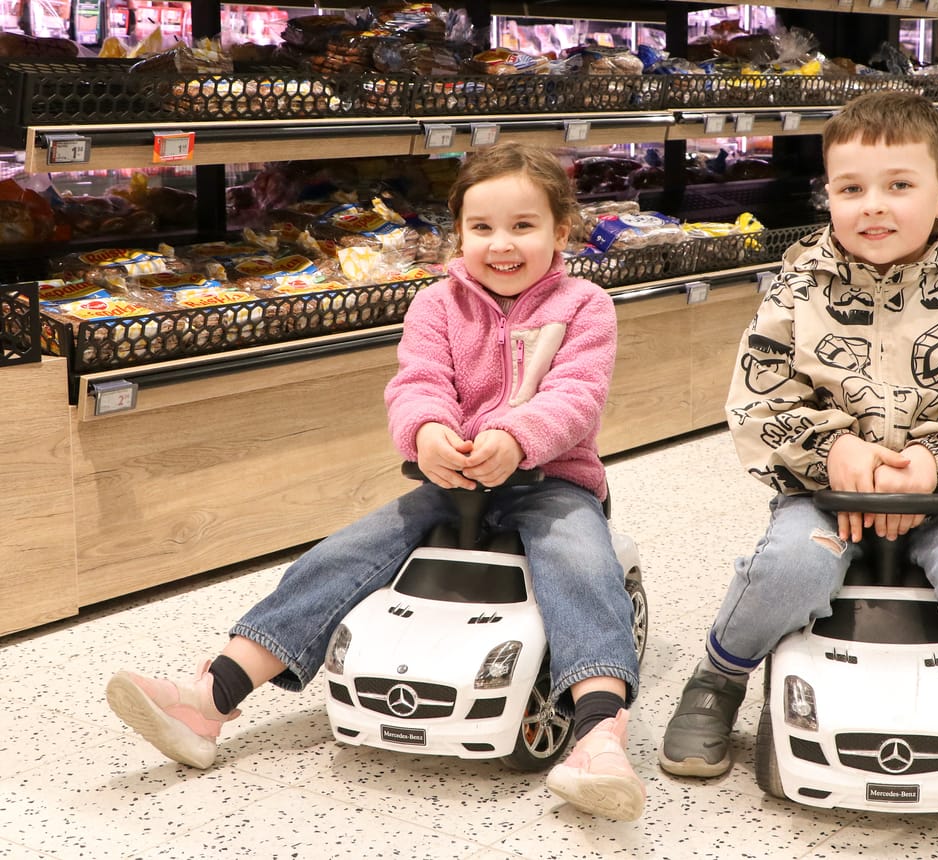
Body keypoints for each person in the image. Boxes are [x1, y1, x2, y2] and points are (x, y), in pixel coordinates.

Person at [106, 141, 647, 822]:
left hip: (552, 481)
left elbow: (577, 395)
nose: (501, 244)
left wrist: (517, 436)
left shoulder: (585, 305)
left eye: (523, 226)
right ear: (459, 234)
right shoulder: (436, 305)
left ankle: (599, 736)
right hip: (451, 484)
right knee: (343, 554)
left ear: (560, 231)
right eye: (481, 227)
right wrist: (427, 432)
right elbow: (418, 382)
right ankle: (209, 698)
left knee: (582, 565)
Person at [657, 90, 938, 813]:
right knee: (789, 566)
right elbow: (757, 403)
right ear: (828, 194)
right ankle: (718, 679)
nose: (873, 206)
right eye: (851, 189)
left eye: (899, 185)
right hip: (821, 496)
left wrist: (933, 466)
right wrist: (833, 448)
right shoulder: (795, 289)